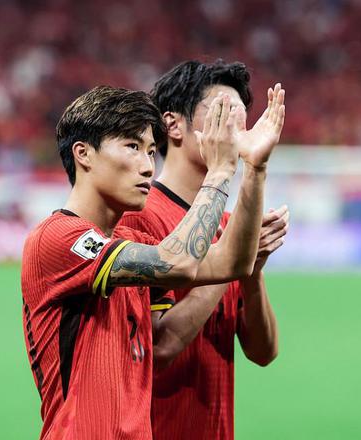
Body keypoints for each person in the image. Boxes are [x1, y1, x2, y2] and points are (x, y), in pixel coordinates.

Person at [21, 83, 285, 439]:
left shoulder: (132, 242)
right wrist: (219, 172)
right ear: (83, 154)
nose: (147, 167)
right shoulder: (57, 237)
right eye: (132, 147)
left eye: (150, 152)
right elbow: (178, 262)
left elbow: (233, 262)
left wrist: (254, 167)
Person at [119, 59, 287, 440]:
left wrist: (252, 268)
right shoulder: (140, 217)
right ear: (173, 125)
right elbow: (159, 347)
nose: (235, 128)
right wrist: (231, 257)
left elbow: (264, 351)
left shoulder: (229, 223)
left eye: (241, 117)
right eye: (222, 112)